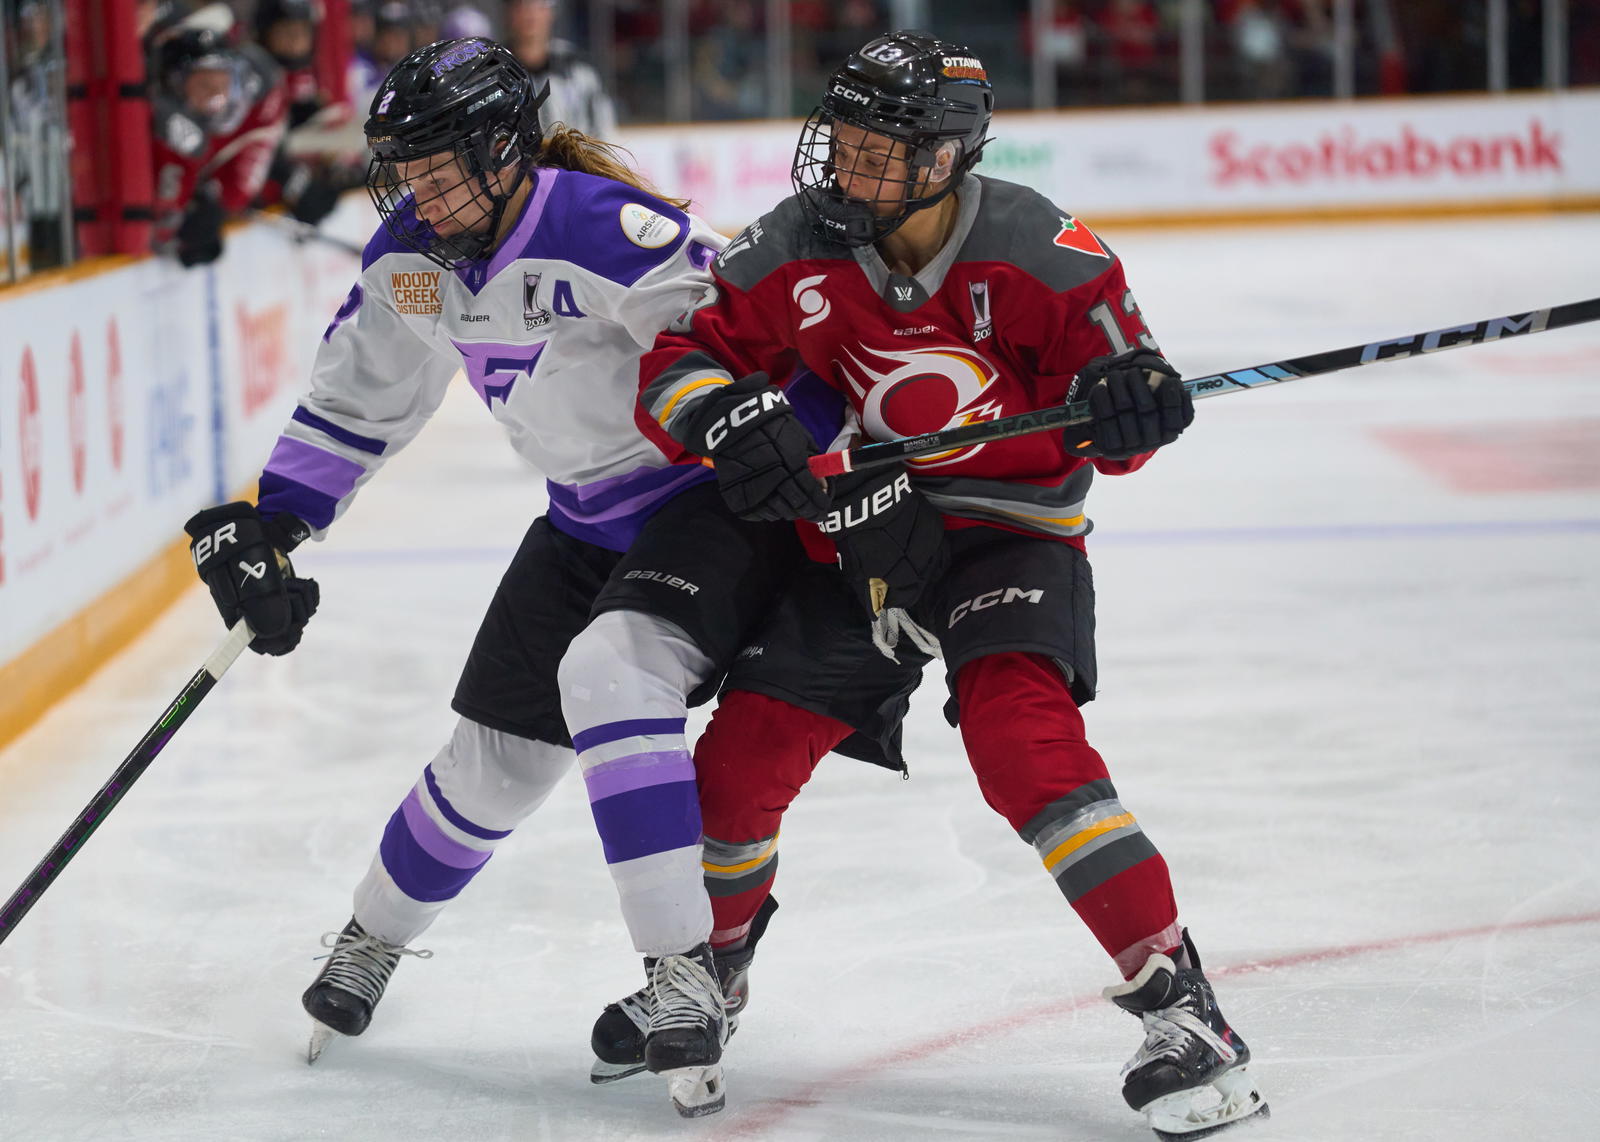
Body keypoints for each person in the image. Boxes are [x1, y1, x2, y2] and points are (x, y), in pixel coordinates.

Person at [178, 36, 863, 1119]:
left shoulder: (603, 228)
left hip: (701, 508)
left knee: (611, 673)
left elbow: (762, 331)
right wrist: (277, 519)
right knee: (491, 763)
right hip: (580, 520)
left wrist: (799, 425)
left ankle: (682, 970)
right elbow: (360, 402)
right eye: (403, 167)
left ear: (505, 147)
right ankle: (371, 939)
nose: (418, 189)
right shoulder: (411, 253)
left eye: (441, 164)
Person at [626, 29, 1270, 1139]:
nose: (845, 169)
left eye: (880, 152)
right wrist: (726, 412)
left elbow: (1123, 410)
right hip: (862, 538)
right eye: (844, 142)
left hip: (1007, 532)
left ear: (945, 160)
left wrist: (1131, 410)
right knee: (734, 763)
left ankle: (1183, 1005)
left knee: (1023, 744)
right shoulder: (795, 244)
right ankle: (714, 973)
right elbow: (679, 358)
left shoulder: (1044, 253)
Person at [148, 25, 288, 266]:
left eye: (222, 85)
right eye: (204, 85)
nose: (215, 98)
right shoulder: (154, 125)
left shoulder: (256, 101)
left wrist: (212, 204)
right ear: (176, 84)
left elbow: (237, 190)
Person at [502, 0, 616, 138]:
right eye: (521, 5)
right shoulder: (492, 73)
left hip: (573, 158)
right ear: (509, 12)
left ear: (551, 11)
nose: (530, 14)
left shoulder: (580, 70)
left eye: (538, 5)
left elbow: (603, 133)